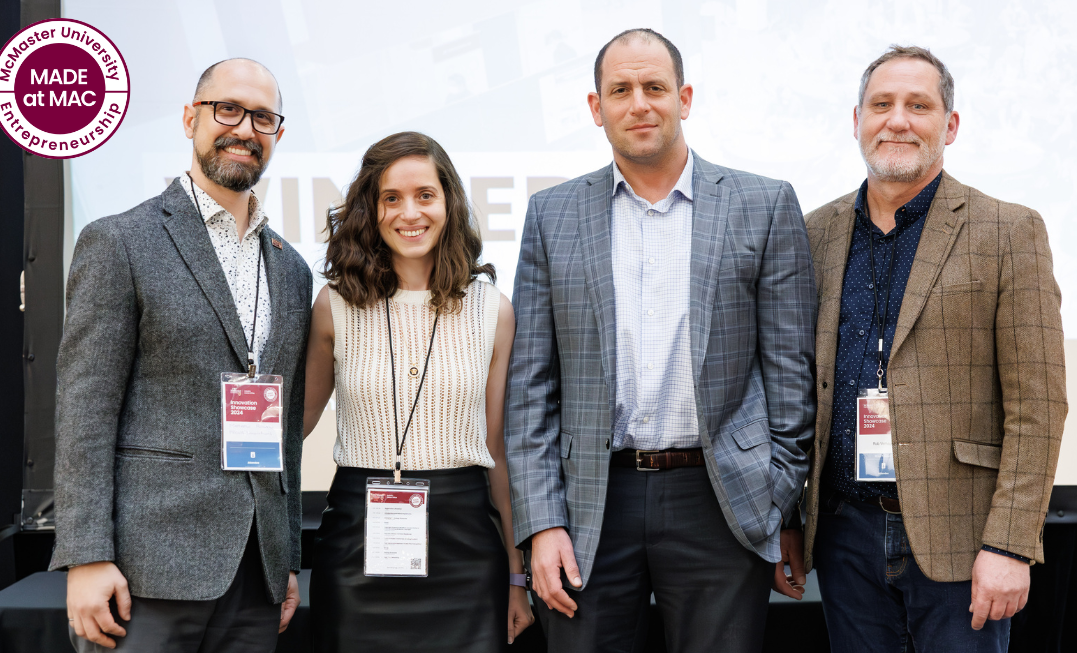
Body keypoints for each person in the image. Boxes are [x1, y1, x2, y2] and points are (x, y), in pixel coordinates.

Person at [506, 28, 817, 652]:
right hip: (592, 500)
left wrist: (774, 495)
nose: (638, 104)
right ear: (596, 108)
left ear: (685, 97)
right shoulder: (552, 214)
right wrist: (542, 523)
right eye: (620, 90)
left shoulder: (763, 204)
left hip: (721, 500)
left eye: (654, 87)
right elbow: (530, 385)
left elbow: (791, 372)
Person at [795, 45, 1066, 652]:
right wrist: (795, 521)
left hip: (964, 539)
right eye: (882, 104)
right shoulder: (815, 232)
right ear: (857, 120)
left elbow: (1038, 405)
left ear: (950, 124)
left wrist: (1011, 544)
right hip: (845, 534)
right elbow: (799, 386)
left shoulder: (1008, 231)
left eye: (919, 105)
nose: (898, 120)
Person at [51, 58, 311, 652]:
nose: (245, 128)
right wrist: (86, 556)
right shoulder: (120, 240)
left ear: (277, 134)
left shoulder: (292, 268)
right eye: (229, 109)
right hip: (143, 573)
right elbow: (85, 410)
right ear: (191, 117)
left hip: (256, 574)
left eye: (263, 117)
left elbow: (286, 425)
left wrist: (287, 557)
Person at [301, 131, 534, 652]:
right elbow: (294, 426)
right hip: (357, 543)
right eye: (392, 198)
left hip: (466, 549)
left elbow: (499, 452)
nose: (411, 213)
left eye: (425, 195)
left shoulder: (491, 308)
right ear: (371, 209)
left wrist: (517, 578)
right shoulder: (333, 305)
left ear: (448, 202)